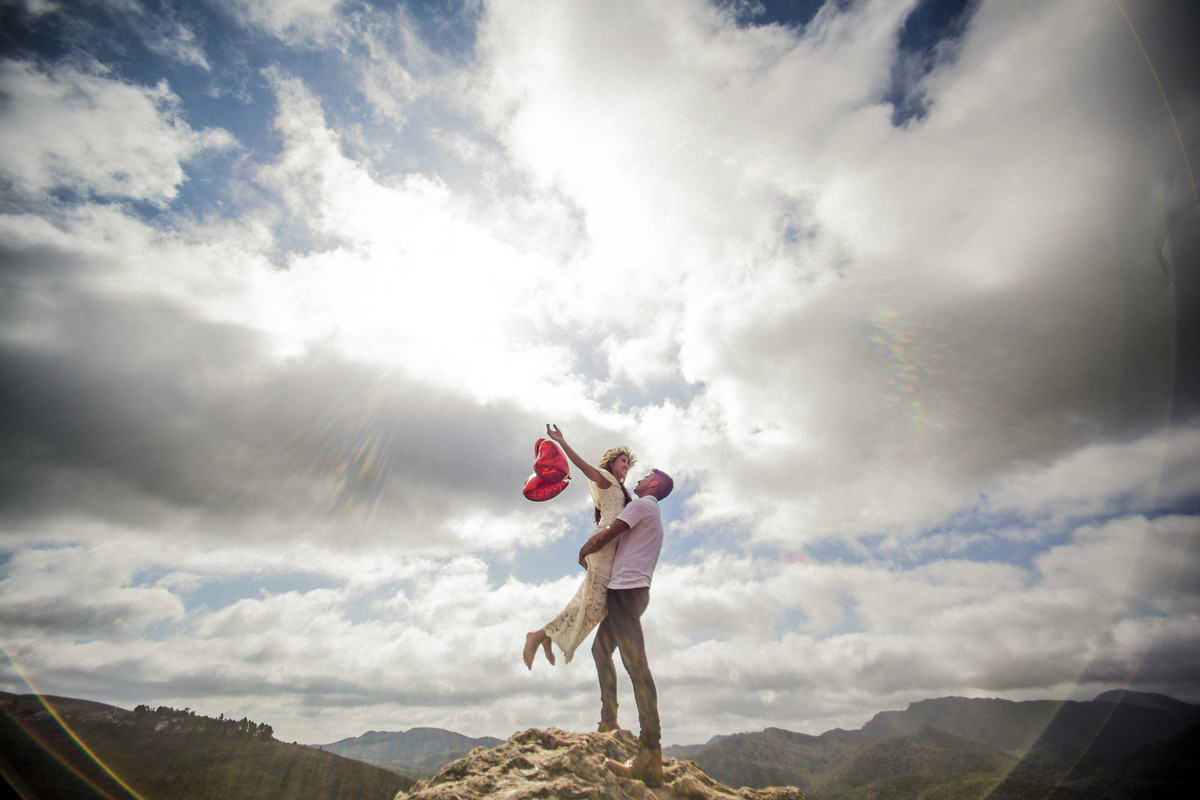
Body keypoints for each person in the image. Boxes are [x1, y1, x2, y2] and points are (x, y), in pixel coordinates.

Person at [579, 468, 673, 788]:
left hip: (626, 592)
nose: (640, 478)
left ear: (655, 485)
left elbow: (609, 534)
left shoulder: (642, 505)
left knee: (637, 667)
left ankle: (650, 752)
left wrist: (585, 550)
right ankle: (610, 719)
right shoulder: (651, 510)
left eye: (646, 476)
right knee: (600, 651)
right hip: (632, 592)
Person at [523, 424, 636, 669]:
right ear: (611, 462)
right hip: (603, 545)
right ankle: (541, 635)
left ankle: (545, 636)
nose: (626, 465)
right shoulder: (606, 479)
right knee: (594, 604)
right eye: (623, 460)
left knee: (594, 604)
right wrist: (562, 441)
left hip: (611, 550)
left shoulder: (621, 489)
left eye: (629, 463)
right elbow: (584, 467)